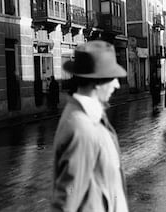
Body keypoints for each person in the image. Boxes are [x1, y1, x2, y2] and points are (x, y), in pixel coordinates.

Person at [51, 40, 129, 212]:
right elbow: (67, 199)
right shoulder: (81, 127)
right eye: (112, 78)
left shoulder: (90, 117)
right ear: (97, 83)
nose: (116, 84)